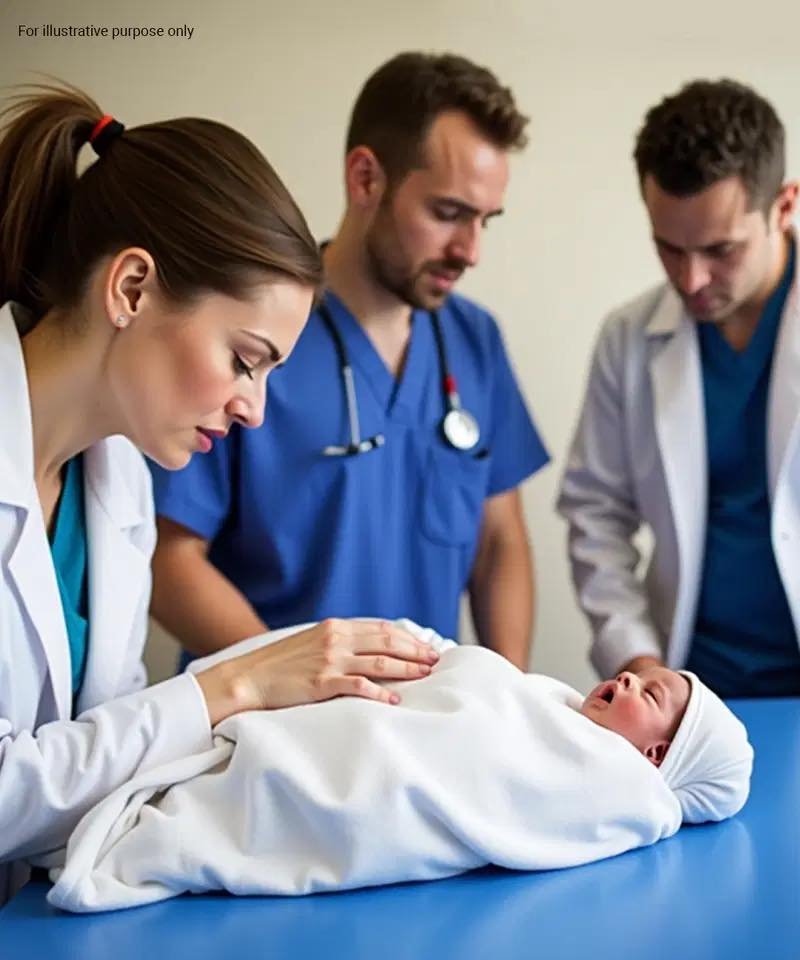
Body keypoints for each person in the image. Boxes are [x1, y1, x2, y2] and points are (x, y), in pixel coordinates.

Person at [0, 83, 440, 905]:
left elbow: (107, 759)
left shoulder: (117, 481)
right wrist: (233, 684)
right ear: (131, 288)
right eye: (245, 359)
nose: (255, 407)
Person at [148, 52, 550, 672]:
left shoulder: (475, 342)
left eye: (484, 221)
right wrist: (294, 679)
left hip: (422, 722)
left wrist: (507, 700)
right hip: (265, 729)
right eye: (447, 214)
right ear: (366, 179)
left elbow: (499, 544)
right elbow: (169, 558)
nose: (469, 250)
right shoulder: (248, 336)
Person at [45, 621, 752, 912]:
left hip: (336, 762)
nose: (626, 680)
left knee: (291, 773)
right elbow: (478, 689)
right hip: (302, 701)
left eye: (650, 694)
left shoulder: (600, 783)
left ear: (657, 759)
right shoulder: (553, 703)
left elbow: (433, 772)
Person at [557, 79, 800, 697]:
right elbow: (596, 514)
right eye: (669, 248)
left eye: (721, 250)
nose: (691, 280)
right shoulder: (629, 338)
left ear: (786, 205)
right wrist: (637, 660)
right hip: (692, 690)